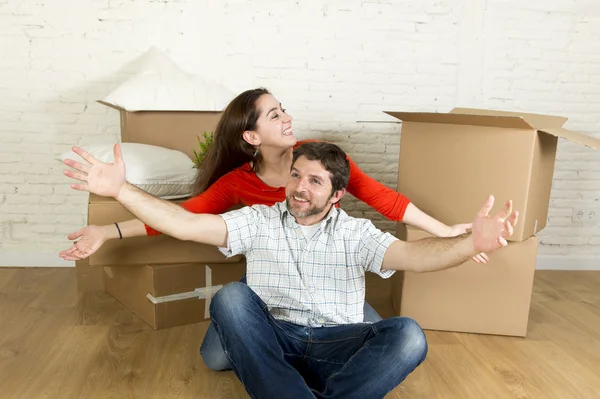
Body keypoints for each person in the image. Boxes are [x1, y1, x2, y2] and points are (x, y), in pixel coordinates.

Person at [59, 87, 487, 370]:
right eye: (275, 114)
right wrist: (109, 232)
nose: (287, 118)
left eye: (284, 110)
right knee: (215, 358)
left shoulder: (321, 160)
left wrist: (447, 230)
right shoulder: (237, 183)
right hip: (272, 278)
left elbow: (384, 199)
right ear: (251, 135)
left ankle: (301, 349)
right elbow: (181, 220)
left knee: (366, 346)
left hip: (332, 279)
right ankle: (292, 346)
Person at [62, 140, 518, 399]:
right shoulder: (258, 220)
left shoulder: (357, 234)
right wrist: (121, 190)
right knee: (232, 298)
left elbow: (417, 257)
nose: (299, 187)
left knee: (409, 336)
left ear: (337, 195)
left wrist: (469, 243)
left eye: (314, 181)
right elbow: (184, 222)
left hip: (332, 339)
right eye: (296, 175)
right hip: (273, 335)